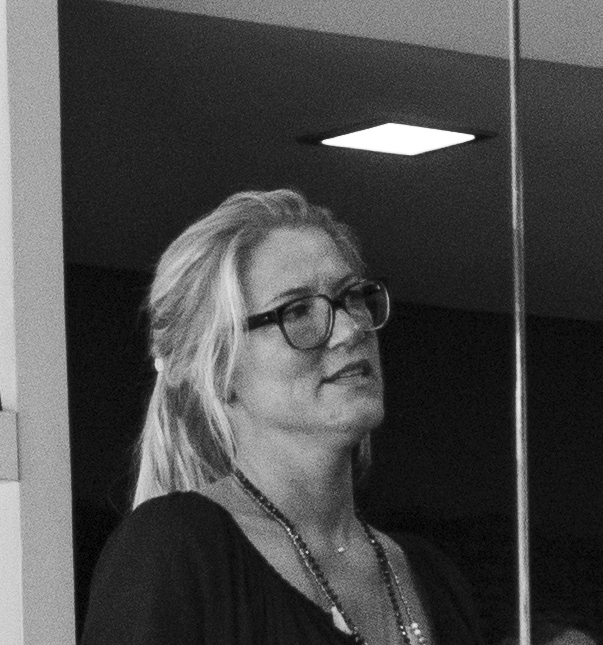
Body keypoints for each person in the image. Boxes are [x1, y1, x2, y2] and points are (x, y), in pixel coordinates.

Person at [81, 189, 483, 645]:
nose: (350, 329)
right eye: (297, 311)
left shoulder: (432, 578)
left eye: (352, 297)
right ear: (215, 366)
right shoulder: (176, 549)